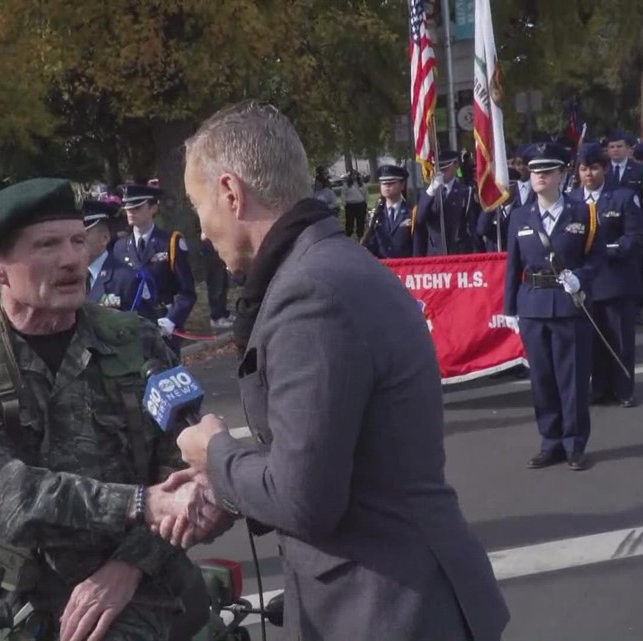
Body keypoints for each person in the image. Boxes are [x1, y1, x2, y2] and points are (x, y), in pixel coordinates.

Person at [170, 101, 510, 641]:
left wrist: (216, 452)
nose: (201, 229)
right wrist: (225, 485)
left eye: (198, 205)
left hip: (389, 609)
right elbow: (326, 454)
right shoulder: (324, 266)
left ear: (232, 194)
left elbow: (304, 499)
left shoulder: (311, 294)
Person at [0, 177, 232, 641]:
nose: (70, 260)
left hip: (133, 579)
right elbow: (0, 491)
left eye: (78, 241)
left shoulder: (135, 340)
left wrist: (129, 566)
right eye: (46, 245)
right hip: (4, 590)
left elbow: (186, 466)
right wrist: (141, 503)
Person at [504, 142, 604, 470]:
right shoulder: (519, 215)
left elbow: (597, 258)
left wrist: (581, 278)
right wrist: (510, 310)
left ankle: (574, 444)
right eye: (534, 172)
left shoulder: (582, 213)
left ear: (562, 174)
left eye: (547, 171)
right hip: (532, 305)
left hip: (568, 305)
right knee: (542, 381)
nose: (539, 177)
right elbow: (512, 265)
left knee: (572, 378)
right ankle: (551, 442)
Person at [569, 143, 643, 408]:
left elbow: (633, 237)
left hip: (615, 280)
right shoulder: (571, 200)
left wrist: (605, 252)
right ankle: (598, 387)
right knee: (592, 341)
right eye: (583, 168)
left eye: (594, 168)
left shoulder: (623, 196)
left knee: (619, 338)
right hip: (584, 283)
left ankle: (624, 388)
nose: (588, 174)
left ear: (605, 169)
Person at [111, 184, 197, 356]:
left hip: (162, 321)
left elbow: (187, 291)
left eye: (137, 207)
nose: (130, 212)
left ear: (153, 208)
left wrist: (172, 320)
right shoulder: (120, 247)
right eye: (127, 207)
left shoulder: (170, 242)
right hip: (133, 326)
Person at [414, 150, 483, 255]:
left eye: (445, 169)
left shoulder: (466, 191)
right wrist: (432, 190)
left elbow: (472, 225)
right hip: (435, 253)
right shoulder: (428, 193)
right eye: (438, 169)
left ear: (455, 165)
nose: (441, 172)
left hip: (459, 252)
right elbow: (420, 219)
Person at [83, 208, 138, 310]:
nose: (78, 242)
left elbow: (144, 323)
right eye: (75, 238)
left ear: (105, 238)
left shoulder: (127, 279)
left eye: (84, 236)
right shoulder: (70, 277)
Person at [362, 164, 416, 259]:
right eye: (383, 183)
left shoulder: (412, 211)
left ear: (402, 185)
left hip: (406, 267)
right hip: (382, 267)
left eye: (391, 183)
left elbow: (417, 244)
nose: (387, 187)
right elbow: (371, 243)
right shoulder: (375, 214)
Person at [341, 170, 369, 238]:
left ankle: (360, 236)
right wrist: (344, 204)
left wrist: (365, 202)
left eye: (356, 175)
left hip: (360, 204)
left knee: (360, 221)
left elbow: (366, 194)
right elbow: (343, 195)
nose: (354, 176)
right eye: (353, 175)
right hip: (350, 205)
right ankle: (348, 235)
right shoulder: (346, 184)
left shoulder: (361, 184)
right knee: (349, 222)